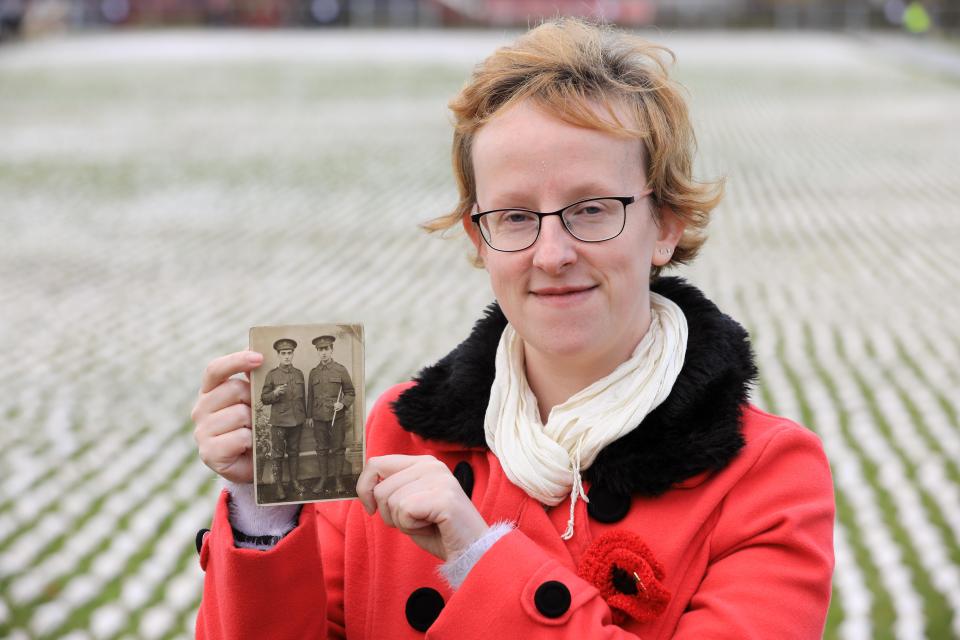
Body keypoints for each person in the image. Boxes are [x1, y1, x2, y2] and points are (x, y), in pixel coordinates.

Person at [191, 18, 834, 639]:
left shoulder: (767, 478)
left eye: (591, 209)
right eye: (516, 217)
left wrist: (478, 559)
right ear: (479, 236)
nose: (551, 254)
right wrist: (263, 511)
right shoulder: (395, 436)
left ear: (664, 225)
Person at [307, 334, 356, 496]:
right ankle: (323, 479)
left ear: (331, 350)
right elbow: (310, 397)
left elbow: (350, 392)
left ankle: (338, 480)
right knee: (321, 449)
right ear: (317, 351)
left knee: (337, 449)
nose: (323, 352)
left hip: (337, 417)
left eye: (326, 349)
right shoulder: (313, 373)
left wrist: (342, 403)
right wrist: (309, 416)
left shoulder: (340, 370)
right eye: (320, 350)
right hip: (319, 417)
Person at [260, 338, 307, 500]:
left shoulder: (298, 373)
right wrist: (275, 393)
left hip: (297, 420)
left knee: (294, 453)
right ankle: (279, 486)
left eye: (289, 353)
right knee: (278, 455)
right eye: (283, 353)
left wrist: (305, 416)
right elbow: (264, 398)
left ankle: (294, 481)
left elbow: (303, 398)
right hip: (279, 422)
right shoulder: (272, 375)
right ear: (278, 355)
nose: (287, 356)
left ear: (293, 354)